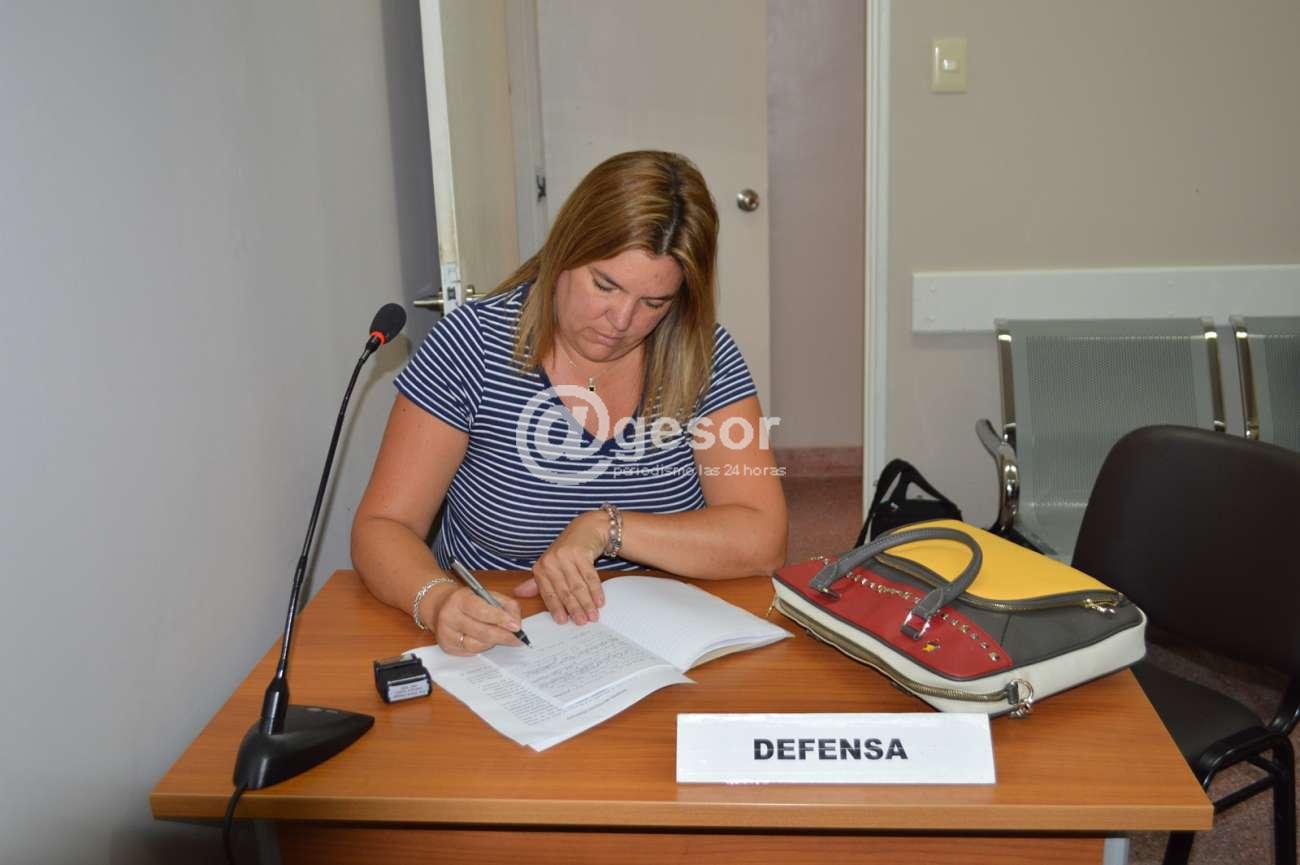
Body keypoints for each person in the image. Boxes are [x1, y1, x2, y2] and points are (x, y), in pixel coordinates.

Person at [351, 150, 787, 656]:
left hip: (664, 635)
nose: (621, 321)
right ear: (564, 252)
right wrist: (437, 600)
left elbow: (763, 538)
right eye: (605, 285)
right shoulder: (472, 345)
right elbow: (382, 527)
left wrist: (606, 528)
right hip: (506, 632)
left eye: (654, 303)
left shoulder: (703, 354)